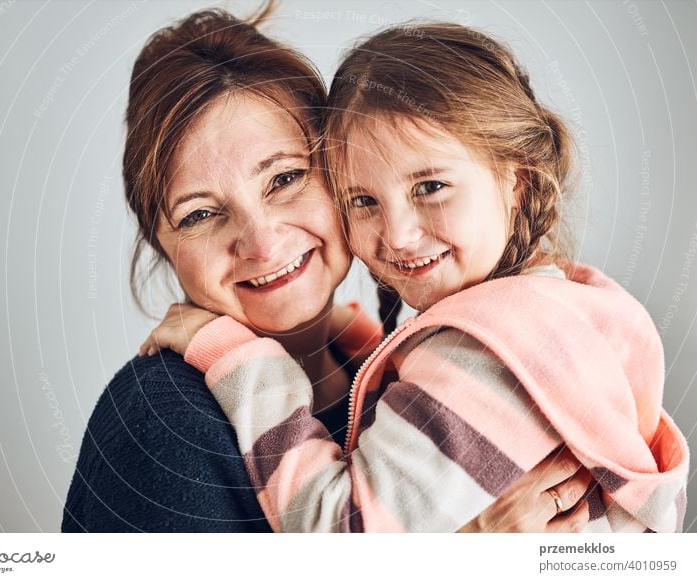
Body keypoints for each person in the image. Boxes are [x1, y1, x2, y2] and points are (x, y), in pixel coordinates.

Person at [63, 8, 590, 533]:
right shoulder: (163, 425)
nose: (262, 244)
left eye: (285, 178)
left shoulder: (417, 364)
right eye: (200, 213)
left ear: (341, 172)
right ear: (163, 242)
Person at [148, 21, 689, 532]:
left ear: (517, 182)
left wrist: (238, 358)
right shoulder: (553, 307)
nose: (399, 235)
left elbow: (339, 529)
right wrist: (363, 348)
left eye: (430, 187)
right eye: (363, 201)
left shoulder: (482, 356)